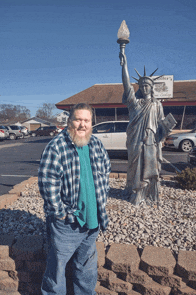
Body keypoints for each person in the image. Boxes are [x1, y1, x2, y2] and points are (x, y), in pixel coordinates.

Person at [38, 103, 111, 295]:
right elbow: (48, 183)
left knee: (86, 268)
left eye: (86, 120)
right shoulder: (56, 146)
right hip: (67, 223)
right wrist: (60, 213)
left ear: (91, 123)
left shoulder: (96, 144)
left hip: (92, 221)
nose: (82, 125)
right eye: (78, 119)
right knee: (57, 270)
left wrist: (101, 204)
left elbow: (105, 173)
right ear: (69, 121)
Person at [120, 52, 169, 206]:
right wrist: (124, 65)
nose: (144, 87)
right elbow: (127, 85)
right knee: (135, 167)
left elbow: (161, 123)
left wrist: (166, 130)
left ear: (152, 87)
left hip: (151, 141)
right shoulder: (135, 103)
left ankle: (147, 194)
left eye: (147, 85)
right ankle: (134, 193)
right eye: (142, 85)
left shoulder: (157, 104)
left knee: (149, 167)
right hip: (135, 140)